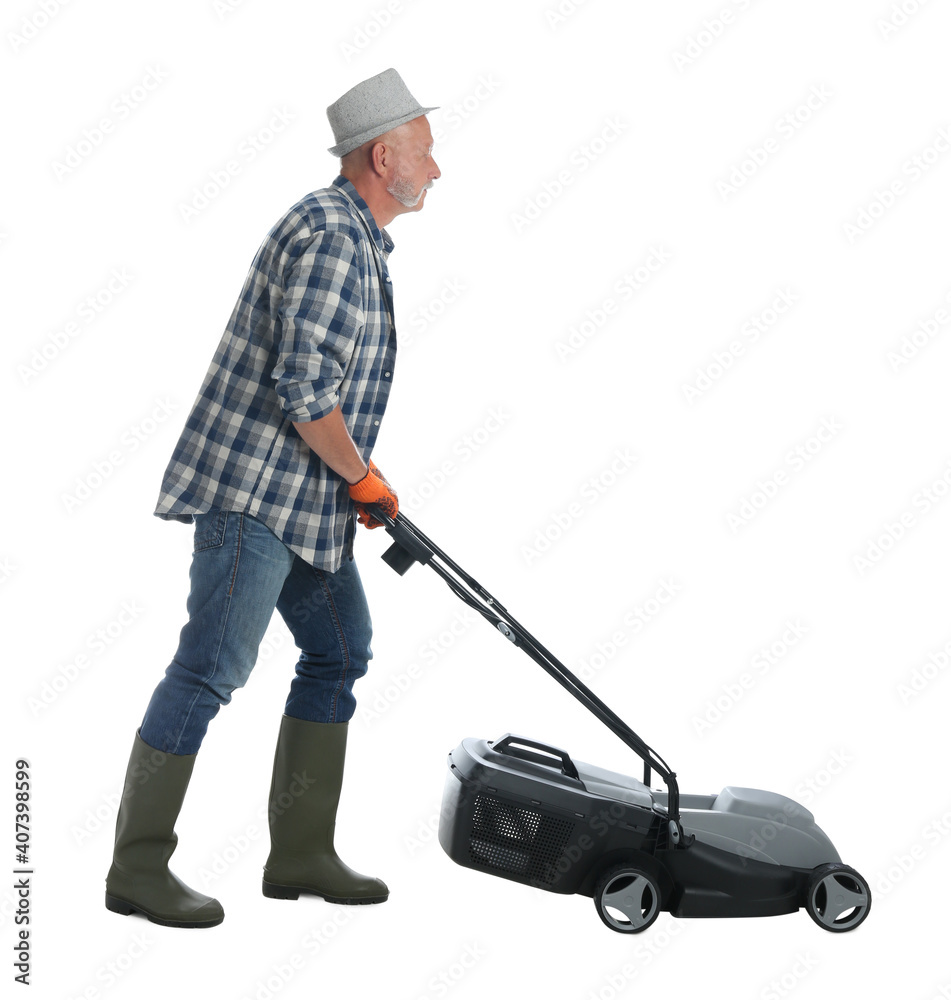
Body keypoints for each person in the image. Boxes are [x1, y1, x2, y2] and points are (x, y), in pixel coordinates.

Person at [104, 68, 441, 929]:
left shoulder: (356, 237)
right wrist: (361, 475)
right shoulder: (332, 235)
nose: (436, 171)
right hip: (256, 500)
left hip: (304, 507)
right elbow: (304, 390)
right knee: (210, 669)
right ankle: (137, 869)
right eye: (426, 154)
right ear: (382, 155)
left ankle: (299, 854)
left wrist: (351, 488)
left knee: (338, 650)